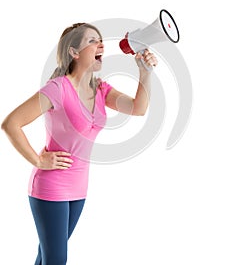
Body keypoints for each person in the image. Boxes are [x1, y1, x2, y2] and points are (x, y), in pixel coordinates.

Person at [1, 22, 158, 265]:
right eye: (92, 40)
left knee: (47, 257)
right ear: (74, 52)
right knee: (56, 260)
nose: (101, 44)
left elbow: (138, 108)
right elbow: (11, 123)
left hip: (79, 188)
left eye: (100, 39)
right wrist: (38, 159)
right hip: (50, 186)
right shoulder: (58, 89)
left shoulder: (101, 89)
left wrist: (145, 72)